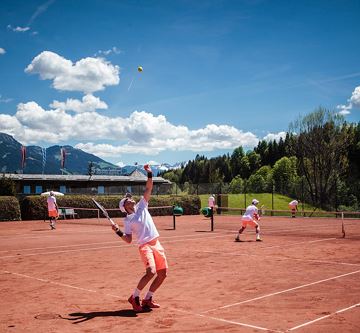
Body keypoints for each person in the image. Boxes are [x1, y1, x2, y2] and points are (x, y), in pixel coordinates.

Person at [112, 164, 168, 312]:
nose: (131, 199)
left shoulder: (142, 205)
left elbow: (148, 188)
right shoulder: (128, 221)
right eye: (127, 200)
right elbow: (128, 239)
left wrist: (149, 174)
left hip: (156, 243)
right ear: (125, 206)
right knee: (151, 272)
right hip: (145, 246)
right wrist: (118, 232)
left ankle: (148, 299)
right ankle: (134, 296)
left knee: (163, 274)